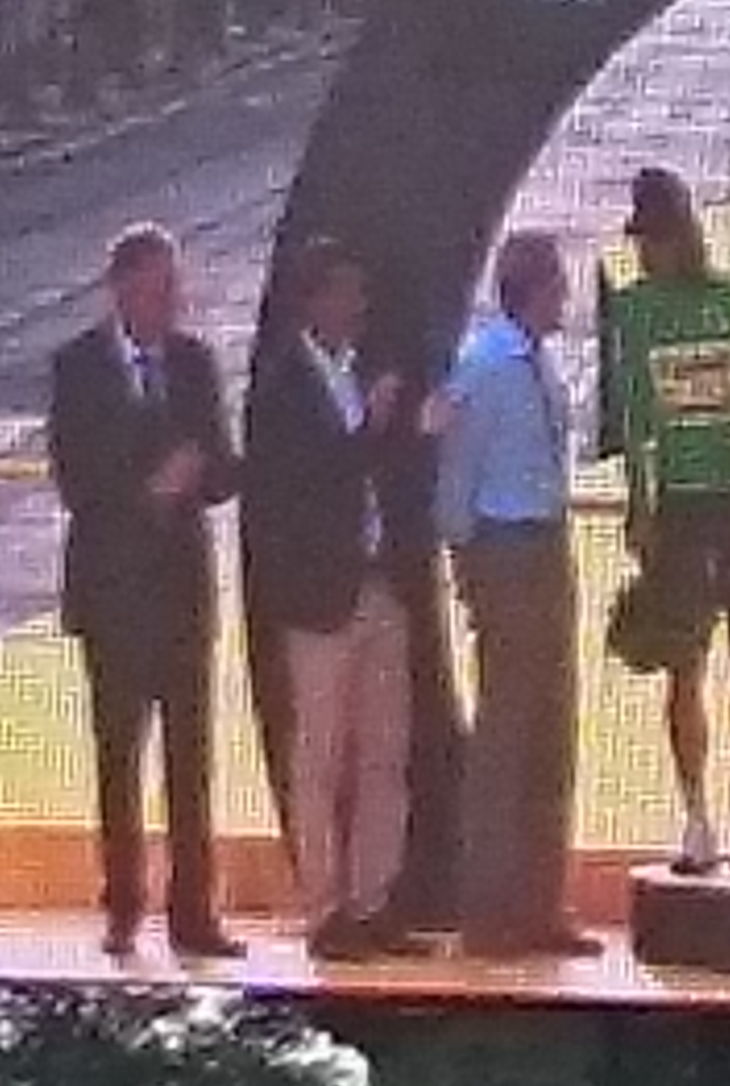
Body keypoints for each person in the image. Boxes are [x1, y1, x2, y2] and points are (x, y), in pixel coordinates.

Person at [44, 225, 242, 965]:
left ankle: (195, 914)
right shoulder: (77, 368)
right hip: (113, 596)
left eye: (176, 290)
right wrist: (148, 490)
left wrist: (204, 472)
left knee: (192, 762)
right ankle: (122, 906)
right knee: (118, 758)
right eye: (159, 289)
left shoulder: (194, 364)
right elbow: (75, 479)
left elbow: (223, 469)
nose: (172, 303)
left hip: (183, 595)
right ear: (122, 289)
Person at [241, 237, 435, 964]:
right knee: (319, 757)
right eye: (343, 292)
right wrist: (366, 433)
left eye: (361, 293)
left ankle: (374, 900)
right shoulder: (283, 387)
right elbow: (299, 487)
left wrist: (398, 432)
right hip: (319, 597)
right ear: (312, 300)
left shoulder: (364, 375)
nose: (356, 307)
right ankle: (324, 909)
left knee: (386, 752)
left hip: (380, 583)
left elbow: (377, 473)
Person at [603, 167, 730, 880]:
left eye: (655, 237)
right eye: (640, 239)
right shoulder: (632, 311)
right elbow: (634, 416)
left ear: (682, 233)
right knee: (684, 663)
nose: (646, 252)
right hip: (677, 507)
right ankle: (695, 819)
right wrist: (639, 501)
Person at [431, 232, 596, 958]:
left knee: (552, 729)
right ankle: (489, 906)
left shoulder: (536, 363)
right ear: (530, 288)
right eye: (557, 284)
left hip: (546, 543)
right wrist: (466, 558)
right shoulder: (485, 365)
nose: (565, 297)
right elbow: (456, 473)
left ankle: (540, 902)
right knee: (506, 734)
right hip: (504, 549)